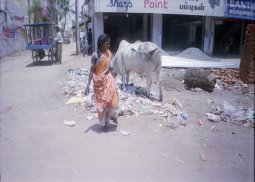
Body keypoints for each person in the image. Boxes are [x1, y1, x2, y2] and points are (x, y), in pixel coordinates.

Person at [85, 34, 119, 130]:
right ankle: (104, 123)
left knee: (112, 99)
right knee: (102, 103)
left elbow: (110, 67)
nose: (109, 46)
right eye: (107, 44)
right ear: (101, 44)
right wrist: (87, 85)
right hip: (99, 82)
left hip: (109, 80)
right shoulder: (95, 56)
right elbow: (92, 71)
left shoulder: (109, 53)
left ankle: (113, 116)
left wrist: (113, 73)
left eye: (109, 44)